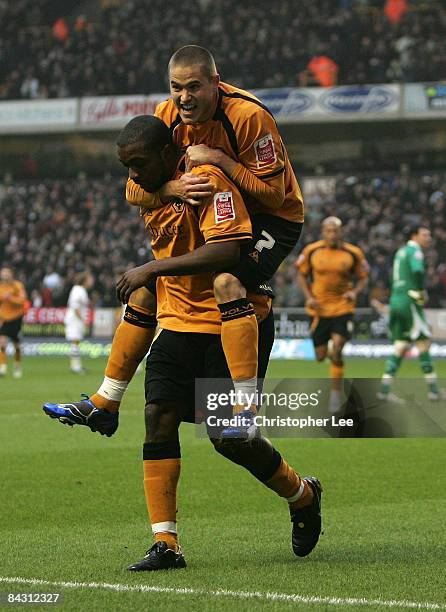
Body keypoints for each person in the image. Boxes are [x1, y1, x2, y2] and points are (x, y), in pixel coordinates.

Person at [44, 115, 322, 570]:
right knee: (158, 418)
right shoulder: (149, 185)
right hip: (177, 322)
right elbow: (134, 188)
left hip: (231, 321)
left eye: (139, 164)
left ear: (168, 155)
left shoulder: (207, 181)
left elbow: (227, 252)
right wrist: (160, 191)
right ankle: (166, 543)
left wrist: (151, 268)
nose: (132, 175)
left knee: (229, 440)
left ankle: (302, 494)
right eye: (126, 166)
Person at [57, 44, 304, 438]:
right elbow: (137, 186)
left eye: (193, 87)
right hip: (219, 209)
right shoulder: (166, 117)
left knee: (229, 282)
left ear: (215, 84)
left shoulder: (249, 117)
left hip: (272, 219)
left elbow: (275, 196)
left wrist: (222, 161)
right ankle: (105, 400)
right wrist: (171, 186)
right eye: (176, 87)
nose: (184, 97)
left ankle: (245, 406)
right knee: (147, 291)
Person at [296, 217, 369, 413]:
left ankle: (335, 397)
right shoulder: (312, 250)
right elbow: (301, 274)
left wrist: (354, 292)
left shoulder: (353, 253)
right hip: (319, 308)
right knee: (321, 356)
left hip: (342, 308)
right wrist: (308, 297)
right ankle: (329, 352)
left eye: (335, 230)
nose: (332, 234)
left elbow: (363, 277)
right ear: (323, 232)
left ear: (341, 232)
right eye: (328, 230)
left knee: (337, 348)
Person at [377, 225, 443, 402]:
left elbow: (395, 276)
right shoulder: (415, 251)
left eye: (429, 234)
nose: (428, 238)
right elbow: (418, 270)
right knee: (423, 342)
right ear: (415, 236)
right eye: (425, 234)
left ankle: (384, 390)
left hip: (396, 300)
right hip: (409, 300)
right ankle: (433, 390)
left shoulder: (401, 252)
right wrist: (420, 291)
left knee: (401, 345)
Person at [0, 266, 27, 378]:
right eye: (3, 273)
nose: (5, 275)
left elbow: (22, 300)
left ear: (11, 274)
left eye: (7, 273)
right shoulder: (1, 287)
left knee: (16, 345)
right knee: (2, 343)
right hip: (5, 319)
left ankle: (17, 366)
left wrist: (10, 298)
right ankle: (3, 367)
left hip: (16, 318)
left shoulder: (17, 286)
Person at [64, 271, 93, 374]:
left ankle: (76, 365)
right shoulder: (78, 290)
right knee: (75, 342)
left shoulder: (80, 290)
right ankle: (75, 366)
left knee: (76, 343)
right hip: (74, 320)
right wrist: (83, 319)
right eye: (89, 279)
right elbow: (75, 306)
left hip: (76, 319)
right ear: (84, 280)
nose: (91, 281)